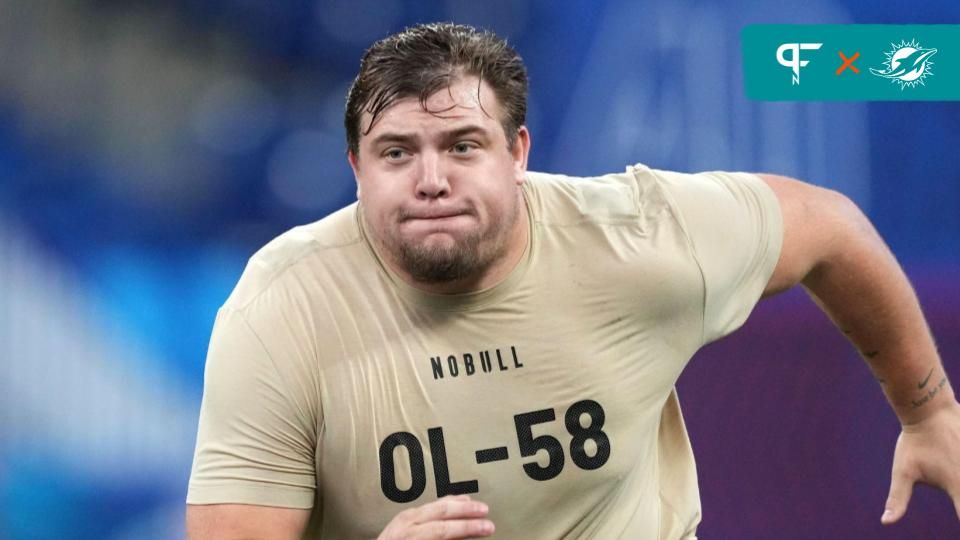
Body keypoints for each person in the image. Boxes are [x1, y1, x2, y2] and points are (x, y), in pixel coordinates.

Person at [185, 22, 960, 539]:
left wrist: (928, 413)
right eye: (396, 153)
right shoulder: (282, 307)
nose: (430, 180)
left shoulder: (633, 238)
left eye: (462, 146)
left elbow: (827, 226)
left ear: (518, 153)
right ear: (355, 170)